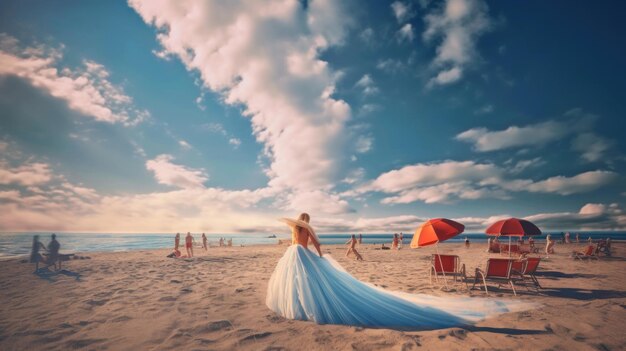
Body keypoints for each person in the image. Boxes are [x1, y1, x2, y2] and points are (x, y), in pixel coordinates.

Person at [266, 213, 532, 330]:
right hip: (303, 255)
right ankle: (304, 306)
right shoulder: (308, 229)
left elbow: (297, 242)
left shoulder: (293, 229)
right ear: (308, 221)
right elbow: (318, 245)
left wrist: (313, 252)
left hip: (292, 255)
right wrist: (320, 257)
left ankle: (299, 307)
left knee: (297, 283)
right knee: (311, 283)